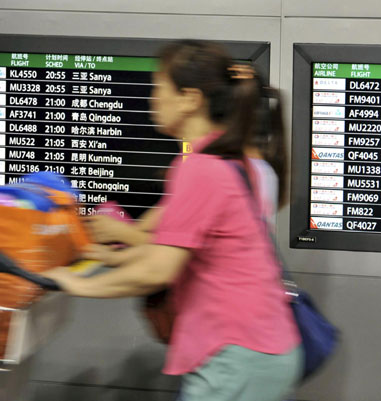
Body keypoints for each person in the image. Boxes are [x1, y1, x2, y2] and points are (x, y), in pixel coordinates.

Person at [43, 40, 302, 401]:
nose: (153, 99)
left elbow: (158, 270)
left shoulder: (200, 168)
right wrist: (112, 258)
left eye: (159, 88)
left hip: (236, 354)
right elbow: (178, 251)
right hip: (260, 347)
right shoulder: (234, 163)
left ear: (190, 99)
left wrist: (72, 284)